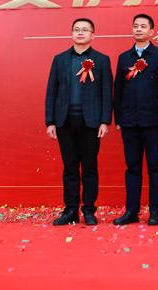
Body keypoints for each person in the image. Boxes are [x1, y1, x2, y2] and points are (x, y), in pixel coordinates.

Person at [45, 18, 112, 226]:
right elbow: (51, 91)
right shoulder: (60, 59)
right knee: (70, 167)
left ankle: (89, 210)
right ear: (71, 33)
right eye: (76, 29)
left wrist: (105, 121)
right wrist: (50, 121)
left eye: (85, 30)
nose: (80, 33)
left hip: (91, 122)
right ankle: (71, 210)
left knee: (90, 166)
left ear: (93, 35)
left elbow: (106, 92)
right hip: (64, 121)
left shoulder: (102, 60)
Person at [112, 14, 158, 226]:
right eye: (135, 26)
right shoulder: (124, 57)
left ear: (152, 31)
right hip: (129, 121)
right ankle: (132, 211)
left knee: (155, 167)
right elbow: (118, 89)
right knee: (132, 167)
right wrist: (118, 118)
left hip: (154, 121)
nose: (138, 29)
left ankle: (155, 211)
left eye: (143, 26)